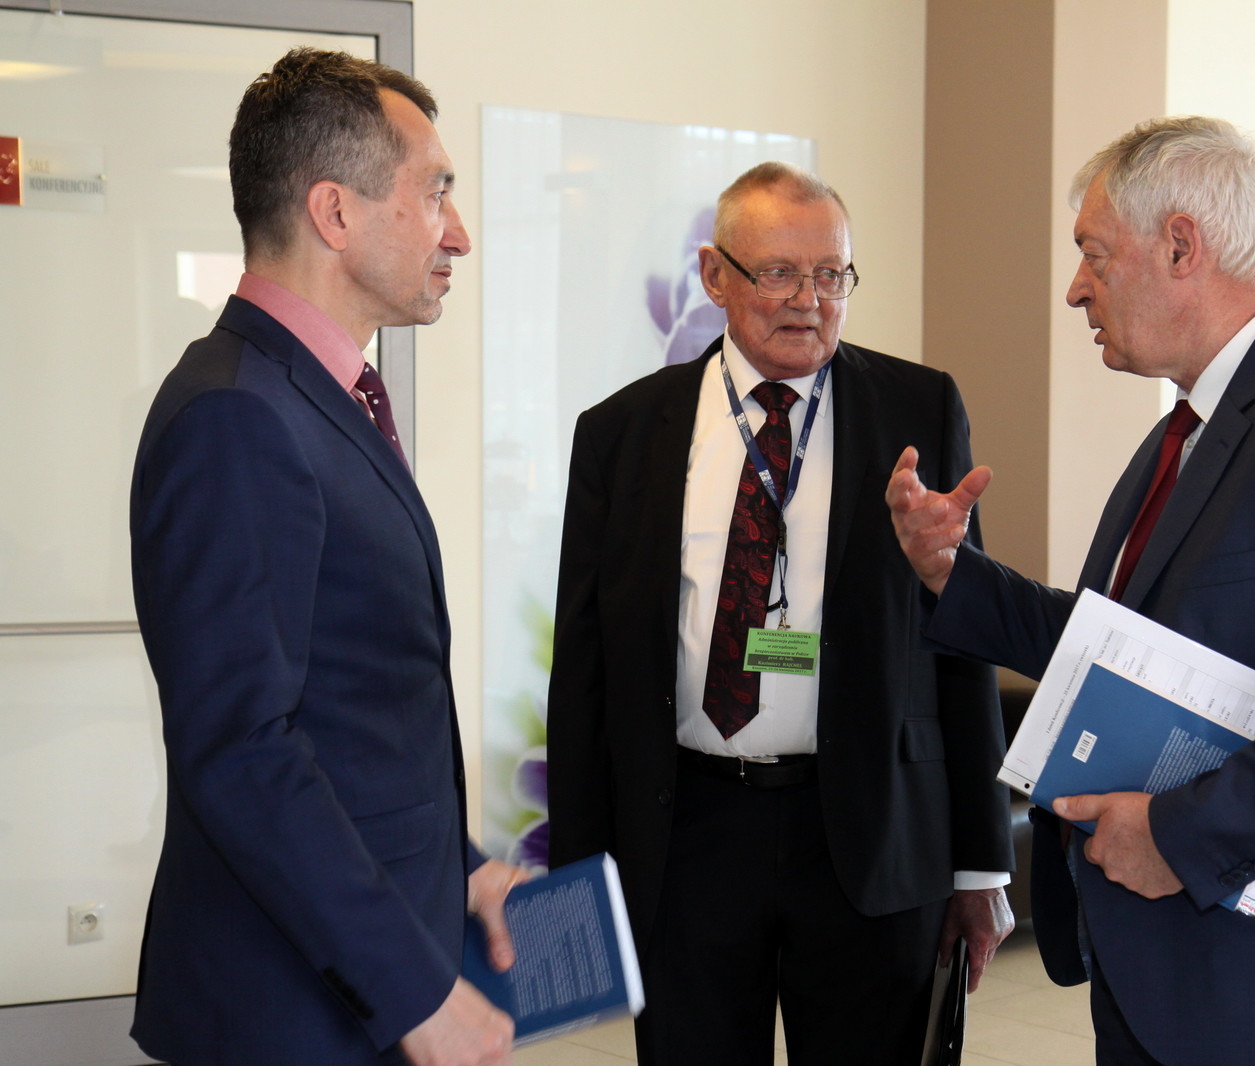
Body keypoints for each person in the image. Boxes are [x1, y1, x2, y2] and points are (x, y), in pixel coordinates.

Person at [885, 116, 1255, 1066]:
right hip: (1168, 961)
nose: (1075, 287)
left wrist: (1179, 835)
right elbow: (1118, 645)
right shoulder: (1195, 425)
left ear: (1181, 246)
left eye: (1094, 253)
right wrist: (949, 574)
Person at [546, 161, 1015, 1065]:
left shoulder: (919, 409)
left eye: (831, 274)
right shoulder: (621, 433)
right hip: (686, 835)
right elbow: (585, 671)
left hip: (869, 834)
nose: (809, 300)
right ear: (713, 275)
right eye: (779, 273)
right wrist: (575, 885)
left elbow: (965, 639)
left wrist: (981, 864)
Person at [129, 49, 523, 1066]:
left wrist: (461, 870)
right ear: (335, 213)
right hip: (289, 1013)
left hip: (344, 986)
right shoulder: (237, 416)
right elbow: (243, 750)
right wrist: (413, 990)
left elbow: (351, 718)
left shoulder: (312, 399)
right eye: (434, 192)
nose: (458, 232)